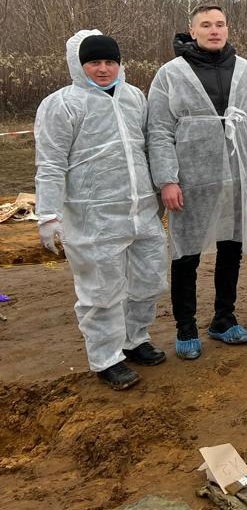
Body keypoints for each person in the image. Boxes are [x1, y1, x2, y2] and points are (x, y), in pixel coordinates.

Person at [34, 31, 168, 390]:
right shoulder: (62, 105)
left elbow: (146, 147)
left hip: (141, 210)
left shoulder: (134, 97)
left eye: (110, 61)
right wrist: (47, 213)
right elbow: (50, 163)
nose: (104, 69)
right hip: (93, 216)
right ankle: (107, 358)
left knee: (149, 280)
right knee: (101, 291)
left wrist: (158, 191)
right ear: (80, 65)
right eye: (95, 62)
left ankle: (134, 338)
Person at [147, 4, 247, 361]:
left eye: (220, 24)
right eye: (206, 25)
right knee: (186, 251)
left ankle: (223, 317)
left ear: (228, 29)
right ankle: (185, 325)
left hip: (237, 175)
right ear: (193, 30)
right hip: (190, 178)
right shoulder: (171, 74)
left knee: (231, 246)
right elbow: (157, 130)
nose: (214, 30)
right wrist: (167, 179)